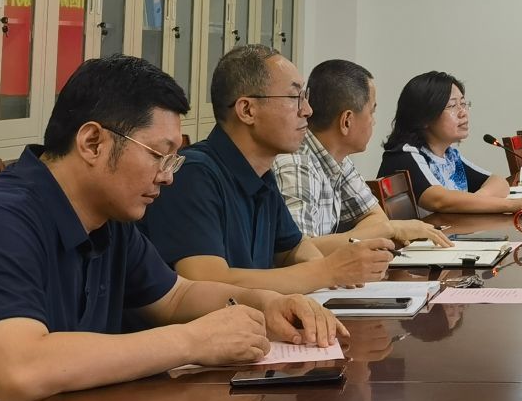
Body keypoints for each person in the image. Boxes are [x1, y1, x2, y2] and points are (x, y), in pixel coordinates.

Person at [0, 55, 346, 401]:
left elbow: (175, 296)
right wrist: (190, 341)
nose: (167, 177)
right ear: (92, 143)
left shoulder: (108, 218)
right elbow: (20, 372)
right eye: (159, 155)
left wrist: (265, 304)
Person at [139, 44, 397, 291]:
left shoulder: (262, 174)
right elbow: (208, 283)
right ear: (247, 110)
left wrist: (338, 273)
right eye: (294, 97)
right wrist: (327, 271)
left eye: (305, 97)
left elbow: (293, 248)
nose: (307, 110)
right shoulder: (193, 174)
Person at [272, 58, 449, 250]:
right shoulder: (297, 166)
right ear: (347, 121)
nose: (373, 121)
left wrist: (373, 233)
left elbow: (374, 216)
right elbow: (298, 252)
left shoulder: (339, 159)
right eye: (371, 112)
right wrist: (388, 229)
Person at [376, 71, 521, 214]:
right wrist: (512, 205)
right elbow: (440, 201)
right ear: (424, 117)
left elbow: (499, 183)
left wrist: (476, 201)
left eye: (463, 104)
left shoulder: (449, 156)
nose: (463, 112)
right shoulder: (404, 156)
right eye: (452, 106)